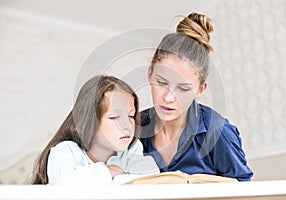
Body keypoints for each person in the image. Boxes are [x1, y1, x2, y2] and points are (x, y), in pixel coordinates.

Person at [140, 12, 253, 181]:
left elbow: (245, 190)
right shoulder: (134, 126)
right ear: (150, 74)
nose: (169, 98)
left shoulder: (218, 132)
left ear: (200, 90)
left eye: (183, 89)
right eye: (162, 83)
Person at [31, 75, 159, 185]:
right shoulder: (66, 151)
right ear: (89, 121)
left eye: (131, 116)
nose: (127, 125)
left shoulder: (131, 150)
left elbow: (150, 178)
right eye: (115, 117)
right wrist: (109, 172)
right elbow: (66, 182)